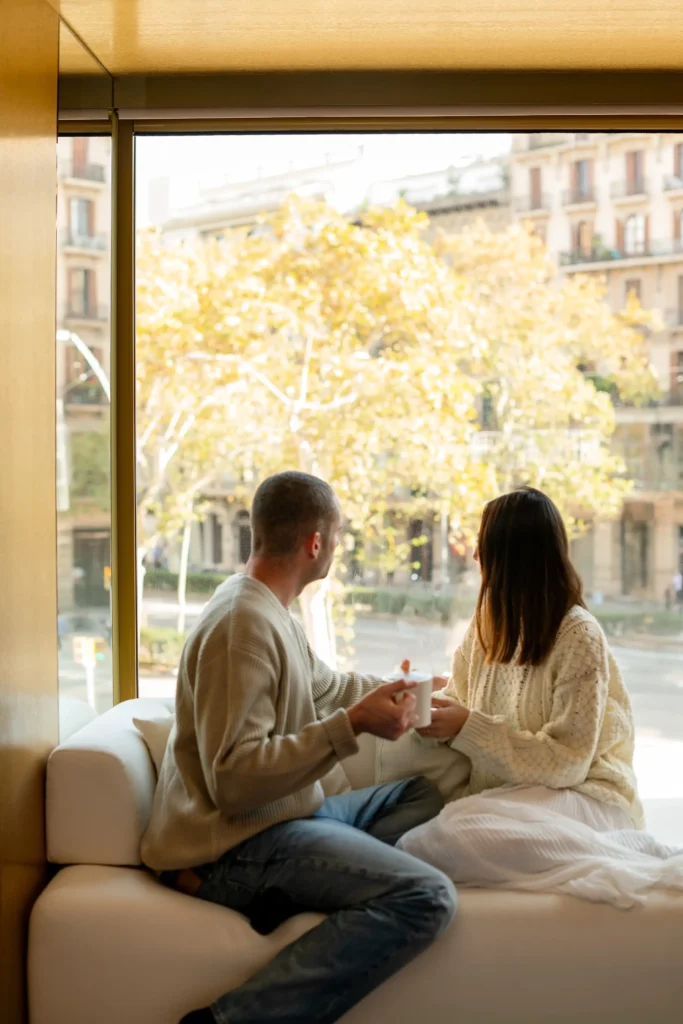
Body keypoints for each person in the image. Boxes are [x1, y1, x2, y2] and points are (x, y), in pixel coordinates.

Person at [141, 471, 456, 1024]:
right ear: (316, 542)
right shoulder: (242, 627)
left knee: (421, 795)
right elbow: (234, 780)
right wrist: (351, 726)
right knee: (429, 896)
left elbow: (327, 688)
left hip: (284, 819)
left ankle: (301, 884)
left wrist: (395, 692)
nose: (338, 547)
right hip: (235, 846)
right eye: (338, 536)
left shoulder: (270, 610)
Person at [395, 488, 683, 908]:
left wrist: (467, 726)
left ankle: (632, 852)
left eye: (484, 544)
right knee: (424, 839)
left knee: (446, 838)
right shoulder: (489, 621)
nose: (475, 555)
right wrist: (426, 709)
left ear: (511, 556)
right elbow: (460, 699)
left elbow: (568, 762)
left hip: (590, 796)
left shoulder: (578, 634)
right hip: (517, 795)